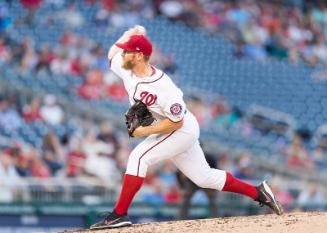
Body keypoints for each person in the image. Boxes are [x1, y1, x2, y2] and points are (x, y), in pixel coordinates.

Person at [91, 25, 283, 229]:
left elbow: (177, 121)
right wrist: (130, 34)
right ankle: (259, 192)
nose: (124, 53)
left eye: (128, 50)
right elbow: (112, 54)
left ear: (139, 57)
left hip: (181, 130)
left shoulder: (164, 87)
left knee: (138, 157)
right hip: (170, 129)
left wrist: (144, 131)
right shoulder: (128, 69)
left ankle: (119, 214)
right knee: (204, 177)